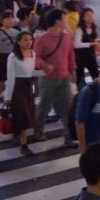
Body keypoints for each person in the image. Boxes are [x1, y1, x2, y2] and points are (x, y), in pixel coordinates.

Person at [34, 8, 78, 147]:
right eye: (64, 18)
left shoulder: (67, 36)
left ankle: (68, 136)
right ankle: (39, 130)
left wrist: (73, 71)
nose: (66, 21)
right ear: (57, 21)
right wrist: (43, 65)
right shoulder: (42, 39)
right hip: (48, 79)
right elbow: (36, 57)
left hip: (64, 77)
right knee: (44, 106)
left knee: (67, 108)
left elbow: (70, 55)